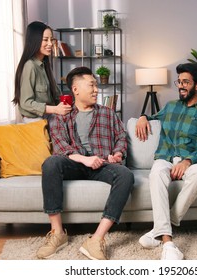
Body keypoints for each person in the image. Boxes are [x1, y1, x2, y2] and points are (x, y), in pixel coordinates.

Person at [36, 66, 134, 260]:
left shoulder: (108, 113)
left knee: (126, 175)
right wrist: (85, 159)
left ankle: (96, 239)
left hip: (102, 164)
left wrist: (117, 153)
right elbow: (60, 146)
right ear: (75, 89)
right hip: (75, 163)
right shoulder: (60, 114)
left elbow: (121, 137)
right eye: (92, 85)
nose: (96, 89)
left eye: (96, 85)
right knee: (50, 163)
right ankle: (57, 233)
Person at [135, 63, 197, 260]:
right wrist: (142, 117)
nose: (180, 86)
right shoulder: (171, 106)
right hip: (165, 157)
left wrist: (188, 161)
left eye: (185, 82)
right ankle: (168, 242)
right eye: (179, 81)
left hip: (190, 159)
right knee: (156, 174)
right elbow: (152, 116)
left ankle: (159, 228)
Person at [12, 21, 71, 122]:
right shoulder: (30, 66)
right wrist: (55, 109)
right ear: (34, 41)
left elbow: (57, 95)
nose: (50, 44)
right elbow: (25, 103)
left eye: (51, 39)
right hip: (34, 121)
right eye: (45, 40)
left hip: (48, 117)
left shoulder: (44, 65)